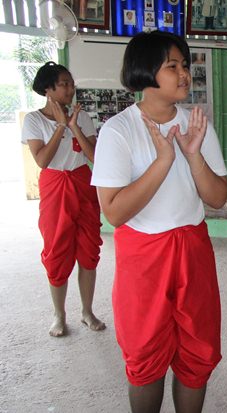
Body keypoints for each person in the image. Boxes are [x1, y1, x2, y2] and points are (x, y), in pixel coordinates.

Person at [91, 31, 227, 411]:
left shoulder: (197, 124)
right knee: (145, 355)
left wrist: (193, 155)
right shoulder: (118, 130)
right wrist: (164, 161)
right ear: (146, 72)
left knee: (198, 351)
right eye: (173, 66)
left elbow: (217, 198)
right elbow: (115, 212)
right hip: (144, 256)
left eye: (185, 65)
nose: (185, 73)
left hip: (193, 249)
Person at [21, 62, 105, 337]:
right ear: (48, 89)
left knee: (89, 250)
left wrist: (74, 126)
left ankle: (87, 311)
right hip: (55, 186)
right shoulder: (33, 120)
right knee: (57, 251)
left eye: (71, 83)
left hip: (82, 182)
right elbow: (43, 160)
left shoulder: (82, 117)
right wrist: (59, 127)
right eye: (64, 84)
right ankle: (59, 315)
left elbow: (94, 158)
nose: (71, 89)